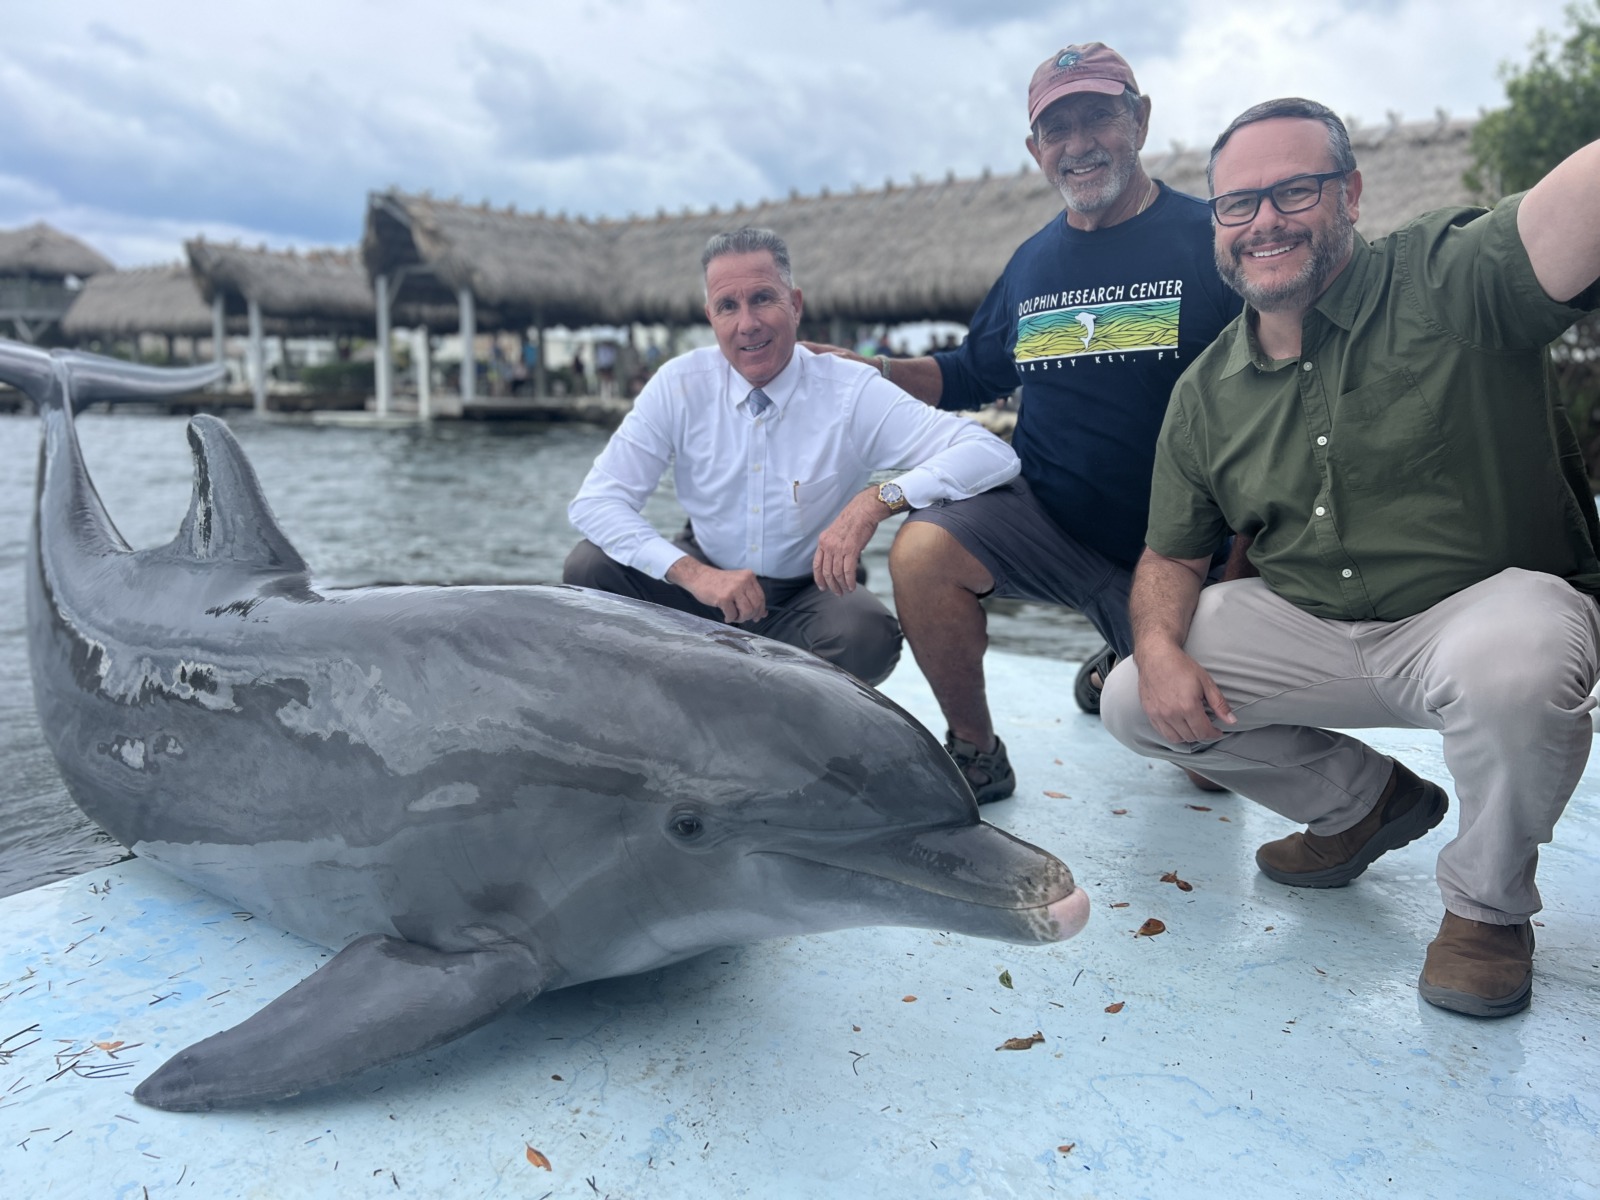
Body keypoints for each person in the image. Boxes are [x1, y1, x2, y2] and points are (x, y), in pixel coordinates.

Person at [1100, 97, 1600, 1018]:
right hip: (1314, 629)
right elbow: (1171, 557)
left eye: (1295, 190)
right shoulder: (1205, 390)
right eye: (1238, 205)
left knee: (1523, 653)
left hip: (1471, 618)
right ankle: (1362, 805)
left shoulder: (1450, 275)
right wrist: (1163, 650)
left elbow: (1579, 206)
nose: (1265, 222)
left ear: (1352, 194)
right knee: (1134, 695)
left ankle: (1487, 909)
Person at [806, 42, 1240, 800]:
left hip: (1180, 553)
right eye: (1057, 127)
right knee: (922, 553)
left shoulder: (1211, 243)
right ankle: (976, 749)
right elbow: (971, 373)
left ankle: (1121, 657)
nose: (1079, 143)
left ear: (1139, 119)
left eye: (1099, 116)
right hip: (1050, 520)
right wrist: (870, 368)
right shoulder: (1033, 263)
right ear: (1035, 148)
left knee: (1210, 770)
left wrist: (1240, 572)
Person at [564, 227, 1020, 687]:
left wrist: (878, 500)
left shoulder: (848, 391)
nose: (747, 323)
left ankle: (753, 705)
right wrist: (693, 574)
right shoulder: (679, 384)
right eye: (728, 306)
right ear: (711, 317)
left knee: (867, 635)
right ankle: (653, 697)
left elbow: (989, 451)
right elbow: (595, 503)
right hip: (700, 580)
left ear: (795, 305)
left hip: (804, 595)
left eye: (763, 299)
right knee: (589, 567)